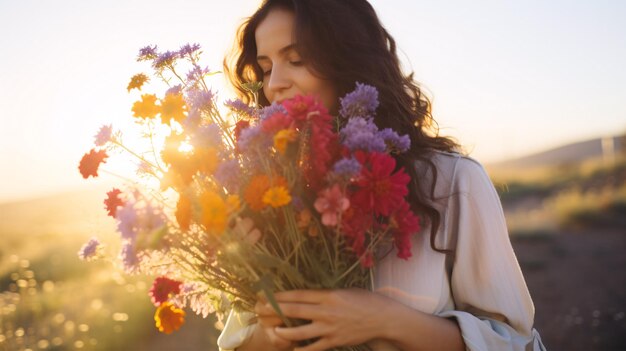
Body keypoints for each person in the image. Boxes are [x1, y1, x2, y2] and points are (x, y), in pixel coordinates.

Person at [218, 0, 547, 350]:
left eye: (297, 59)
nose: (275, 85)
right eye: (266, 69)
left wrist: (386, 320)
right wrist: (277, 329)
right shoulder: (273, 199)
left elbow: (515, 343)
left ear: (349, 60)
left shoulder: (452, 182)